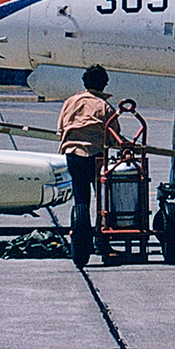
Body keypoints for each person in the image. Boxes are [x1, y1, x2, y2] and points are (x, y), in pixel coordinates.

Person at [58, 65, 116, 254]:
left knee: (81, 198)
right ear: (104, 84)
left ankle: (82, 238)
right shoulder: (104, 106)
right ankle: (103, 241)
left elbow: (61, 128)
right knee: (102, 200)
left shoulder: (70, 102)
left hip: (73, 154)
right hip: (95, 156)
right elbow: (114, 135)